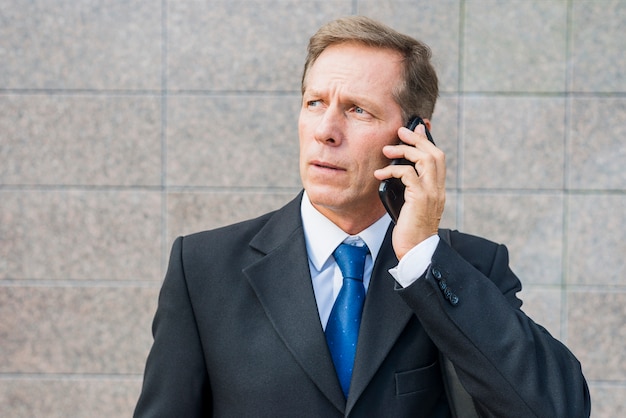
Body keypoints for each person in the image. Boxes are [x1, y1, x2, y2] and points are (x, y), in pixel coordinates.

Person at [134, 16, 590, 417]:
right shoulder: (203, 268)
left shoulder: (467, 266)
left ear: (414, 138)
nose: (326, 131)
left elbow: (558, 407)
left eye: (357, 110)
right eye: (315, 103)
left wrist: (422, 256)